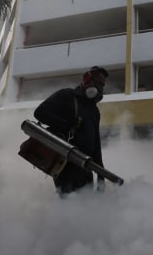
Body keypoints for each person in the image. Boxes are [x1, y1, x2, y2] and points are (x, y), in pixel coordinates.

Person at [33, 66, 108, 195]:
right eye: (98, 83)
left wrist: (101, 175)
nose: (100, 88)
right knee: (70, 204)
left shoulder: (94, 111)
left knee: (86, 206)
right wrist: (67, 124)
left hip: (85, 167)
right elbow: (40, 112)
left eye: (102, 85)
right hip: (66, 164)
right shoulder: (67, 95)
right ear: (87, 79)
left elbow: (96, 145)